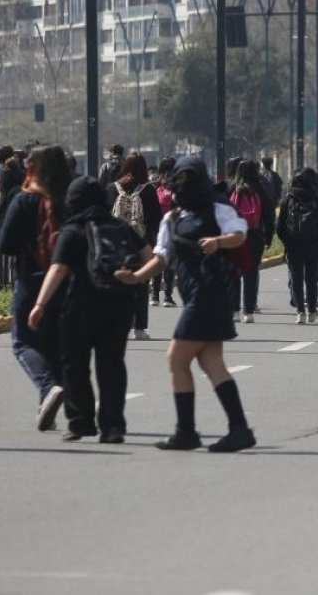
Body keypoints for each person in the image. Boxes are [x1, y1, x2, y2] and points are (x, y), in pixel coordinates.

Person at [112, 157, 255, 452]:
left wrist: (218, 242)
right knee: (212, 363)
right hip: (194, 295)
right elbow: (161, 257)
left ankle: (187, 432)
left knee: (176, 358)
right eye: (182, 179)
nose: (186, 186)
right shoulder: (173, 217)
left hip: (209, 294)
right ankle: (238, 428)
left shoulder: (218, 208)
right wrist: (135, 277)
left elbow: (239, 235)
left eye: (192, 179)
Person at [26, 177, 141, 444]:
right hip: (120, 304)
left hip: (80, 305)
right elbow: (148, 256)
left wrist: (40, 304)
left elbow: (58, 269)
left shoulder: (73, 229)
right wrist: (135, 279)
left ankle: (80, 422)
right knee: (112, 366)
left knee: (75, 365)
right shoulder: (120, 227)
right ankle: (113, 427)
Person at [0, 143, 71, 432]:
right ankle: (50, 404)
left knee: (23, 342)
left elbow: (4, 244)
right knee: (54, 344)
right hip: (65, 280)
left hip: (31, 279)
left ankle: (47, 387)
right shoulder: (69, 198)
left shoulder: (25, 199)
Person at [106, 153, 162, 340]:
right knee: (140, 284)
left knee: (115, 284)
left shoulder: (111, 188)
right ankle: (139, 327)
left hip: (115, 244)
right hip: (140, 244)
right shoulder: (148, 190)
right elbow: (155, 219)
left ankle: (115, 324)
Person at [276, 170, 318, 324]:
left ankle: (300, 311)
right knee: (311, 279)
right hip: (313, 244)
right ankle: (312, 310)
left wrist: (287, 241)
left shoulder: (288, 200)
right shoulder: (316, 199)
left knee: (296, 278)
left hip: (294, 245)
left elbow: (279, 227)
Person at [228, 160, 275, 322]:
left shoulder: (231, 188)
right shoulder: (260, 189)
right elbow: (269, 215)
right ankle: (248, 311)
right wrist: (269, 237)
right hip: (255, 236)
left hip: (234, 236)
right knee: (251, 273)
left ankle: (234, 310)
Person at [152, 157, 178, 308]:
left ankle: (154, 295)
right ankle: (167, 296)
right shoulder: (176, 185)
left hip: (157, 228)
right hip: (172, 227)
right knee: (170, 263)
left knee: (158, 259)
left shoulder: (155, 184)